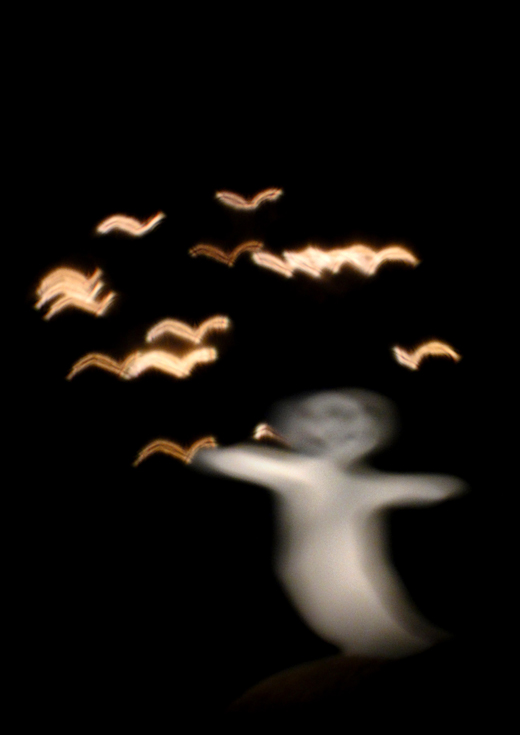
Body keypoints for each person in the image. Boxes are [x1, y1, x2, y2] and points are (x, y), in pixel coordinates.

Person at [192, 389, 467, 658]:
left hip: (350, 582)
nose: (331, 427)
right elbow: (240, 461)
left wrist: (438, 488)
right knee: (368, 631)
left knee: (378, 626)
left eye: (348, 420)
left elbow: (419, 489)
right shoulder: (302, 474)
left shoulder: (359, 484)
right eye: (317, 418)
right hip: (318, 582)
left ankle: (396, 647)